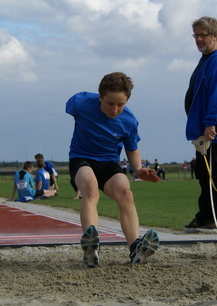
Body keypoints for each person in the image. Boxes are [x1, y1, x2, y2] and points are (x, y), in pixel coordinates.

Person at [66, 72, 160, 267]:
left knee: (125, 192)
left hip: (108, 163)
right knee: (90, 188)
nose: (115, 109)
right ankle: (91, 245)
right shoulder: (80, 102)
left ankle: (135, 246)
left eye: (121, 104)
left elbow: (132, 149)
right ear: (100, 96)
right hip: (81, 158)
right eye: (110, 103)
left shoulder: (129, 121)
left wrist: (139, 169)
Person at [183, 16, 217, 233]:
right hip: (201, 130)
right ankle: (205, 215)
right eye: (195, 35)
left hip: (214, 131)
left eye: (202, 35)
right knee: (203, 174)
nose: (198, 39)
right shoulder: (207, 59)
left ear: (214, 36)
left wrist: (211, 123)